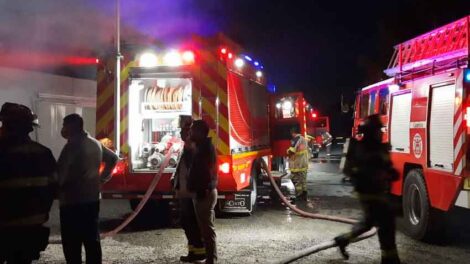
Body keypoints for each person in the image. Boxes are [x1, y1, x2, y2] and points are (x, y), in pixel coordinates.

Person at [334, 114, 400, 264]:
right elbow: (378, 171)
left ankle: (343, 240)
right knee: (387, 226)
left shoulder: (370, 148)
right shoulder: (368, 150)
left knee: (368, 223)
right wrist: (388, 172)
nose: (381, 133)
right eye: (379, 130)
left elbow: (388, 171)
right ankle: (390, 259)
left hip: (370, 194)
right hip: (373, 195)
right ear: (372, 131)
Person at [57, 113, 118, 264]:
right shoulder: (95, 143)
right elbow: (113, 158)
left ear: (72, 126)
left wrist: (55, 191)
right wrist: (102, 178)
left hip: (72, 201)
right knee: (92, 240)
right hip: (92, 199)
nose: (62, 129)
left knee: (72, 243)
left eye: (64, 125)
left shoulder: (71, 147)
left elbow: (61, 175)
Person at [0, 102, 56, 264]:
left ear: (6, 125)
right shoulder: (43, 153)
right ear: (29, 128)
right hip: (31, 229)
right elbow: (53, 188)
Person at [171, 116, 206, 262]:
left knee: (192, 223)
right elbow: (182, 167)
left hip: (191, 193)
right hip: (184, 191)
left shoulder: (193, 148)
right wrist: (175, 178)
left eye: (185, 131)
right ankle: (193, 252)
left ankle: (200, 252)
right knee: (186, 222)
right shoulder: (186, 148)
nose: (181, 134)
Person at [187, 120, 218, 264]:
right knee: (205, 228)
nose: (190, 133)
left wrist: (203, 189)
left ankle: (211, 260)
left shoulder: (205, 149)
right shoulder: (201, 147)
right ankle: (210, 259)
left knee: (207, 229)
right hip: (203, 192)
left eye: (192, 130)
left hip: (204, 193)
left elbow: (206, 172)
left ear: (200, 132)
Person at [287, 126, 309, 203]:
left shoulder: (296, 139)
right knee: (303, 181)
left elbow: (292, 150)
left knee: (296, 180)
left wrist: (287, 151)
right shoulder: (303, 139)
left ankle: (299, 195)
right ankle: (304, 196)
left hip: (298, 165)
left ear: (293, 133)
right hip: (303, 164)